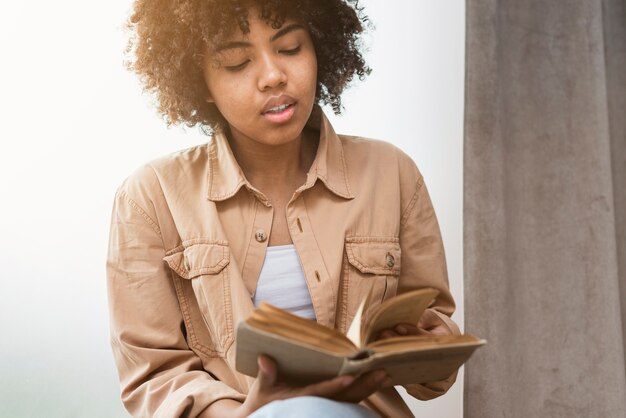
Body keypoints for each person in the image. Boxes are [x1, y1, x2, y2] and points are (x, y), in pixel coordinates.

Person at [106, 1, 461, 417]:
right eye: (237, 62)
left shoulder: (391, 173)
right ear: (198, 78)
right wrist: (251, 410)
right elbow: (154, 376)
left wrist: (428, 339)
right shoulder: (150, 197)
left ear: (318, 46)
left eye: (290, 48)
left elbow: (433, 373)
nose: (273, 76)